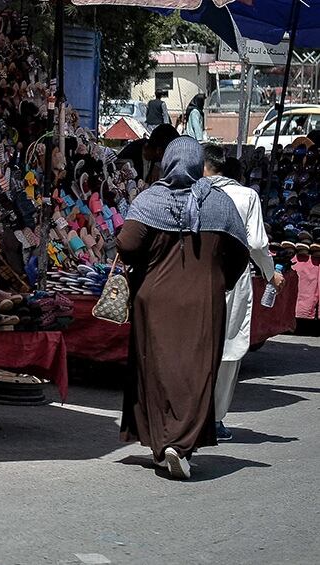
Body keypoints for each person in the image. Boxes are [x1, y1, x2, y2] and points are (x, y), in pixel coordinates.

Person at [116, 136, 249, 480]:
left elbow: (127, 244)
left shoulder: (151, 199)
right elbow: (239, 255)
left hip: (154, 301)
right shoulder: (220, 204)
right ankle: (180, 445)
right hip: (204, 302)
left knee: (156, 370)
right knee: (195, 371)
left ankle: (163, 444)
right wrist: (218, 280)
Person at [204, 146, 283, 441]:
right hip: (233, 279)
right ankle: (215, 418)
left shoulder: (192, 191)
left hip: (195, 277)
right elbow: (258, 244)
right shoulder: (246, 196)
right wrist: (269, 273)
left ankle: (193, 414)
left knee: (199, 344)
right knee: (229, 348)